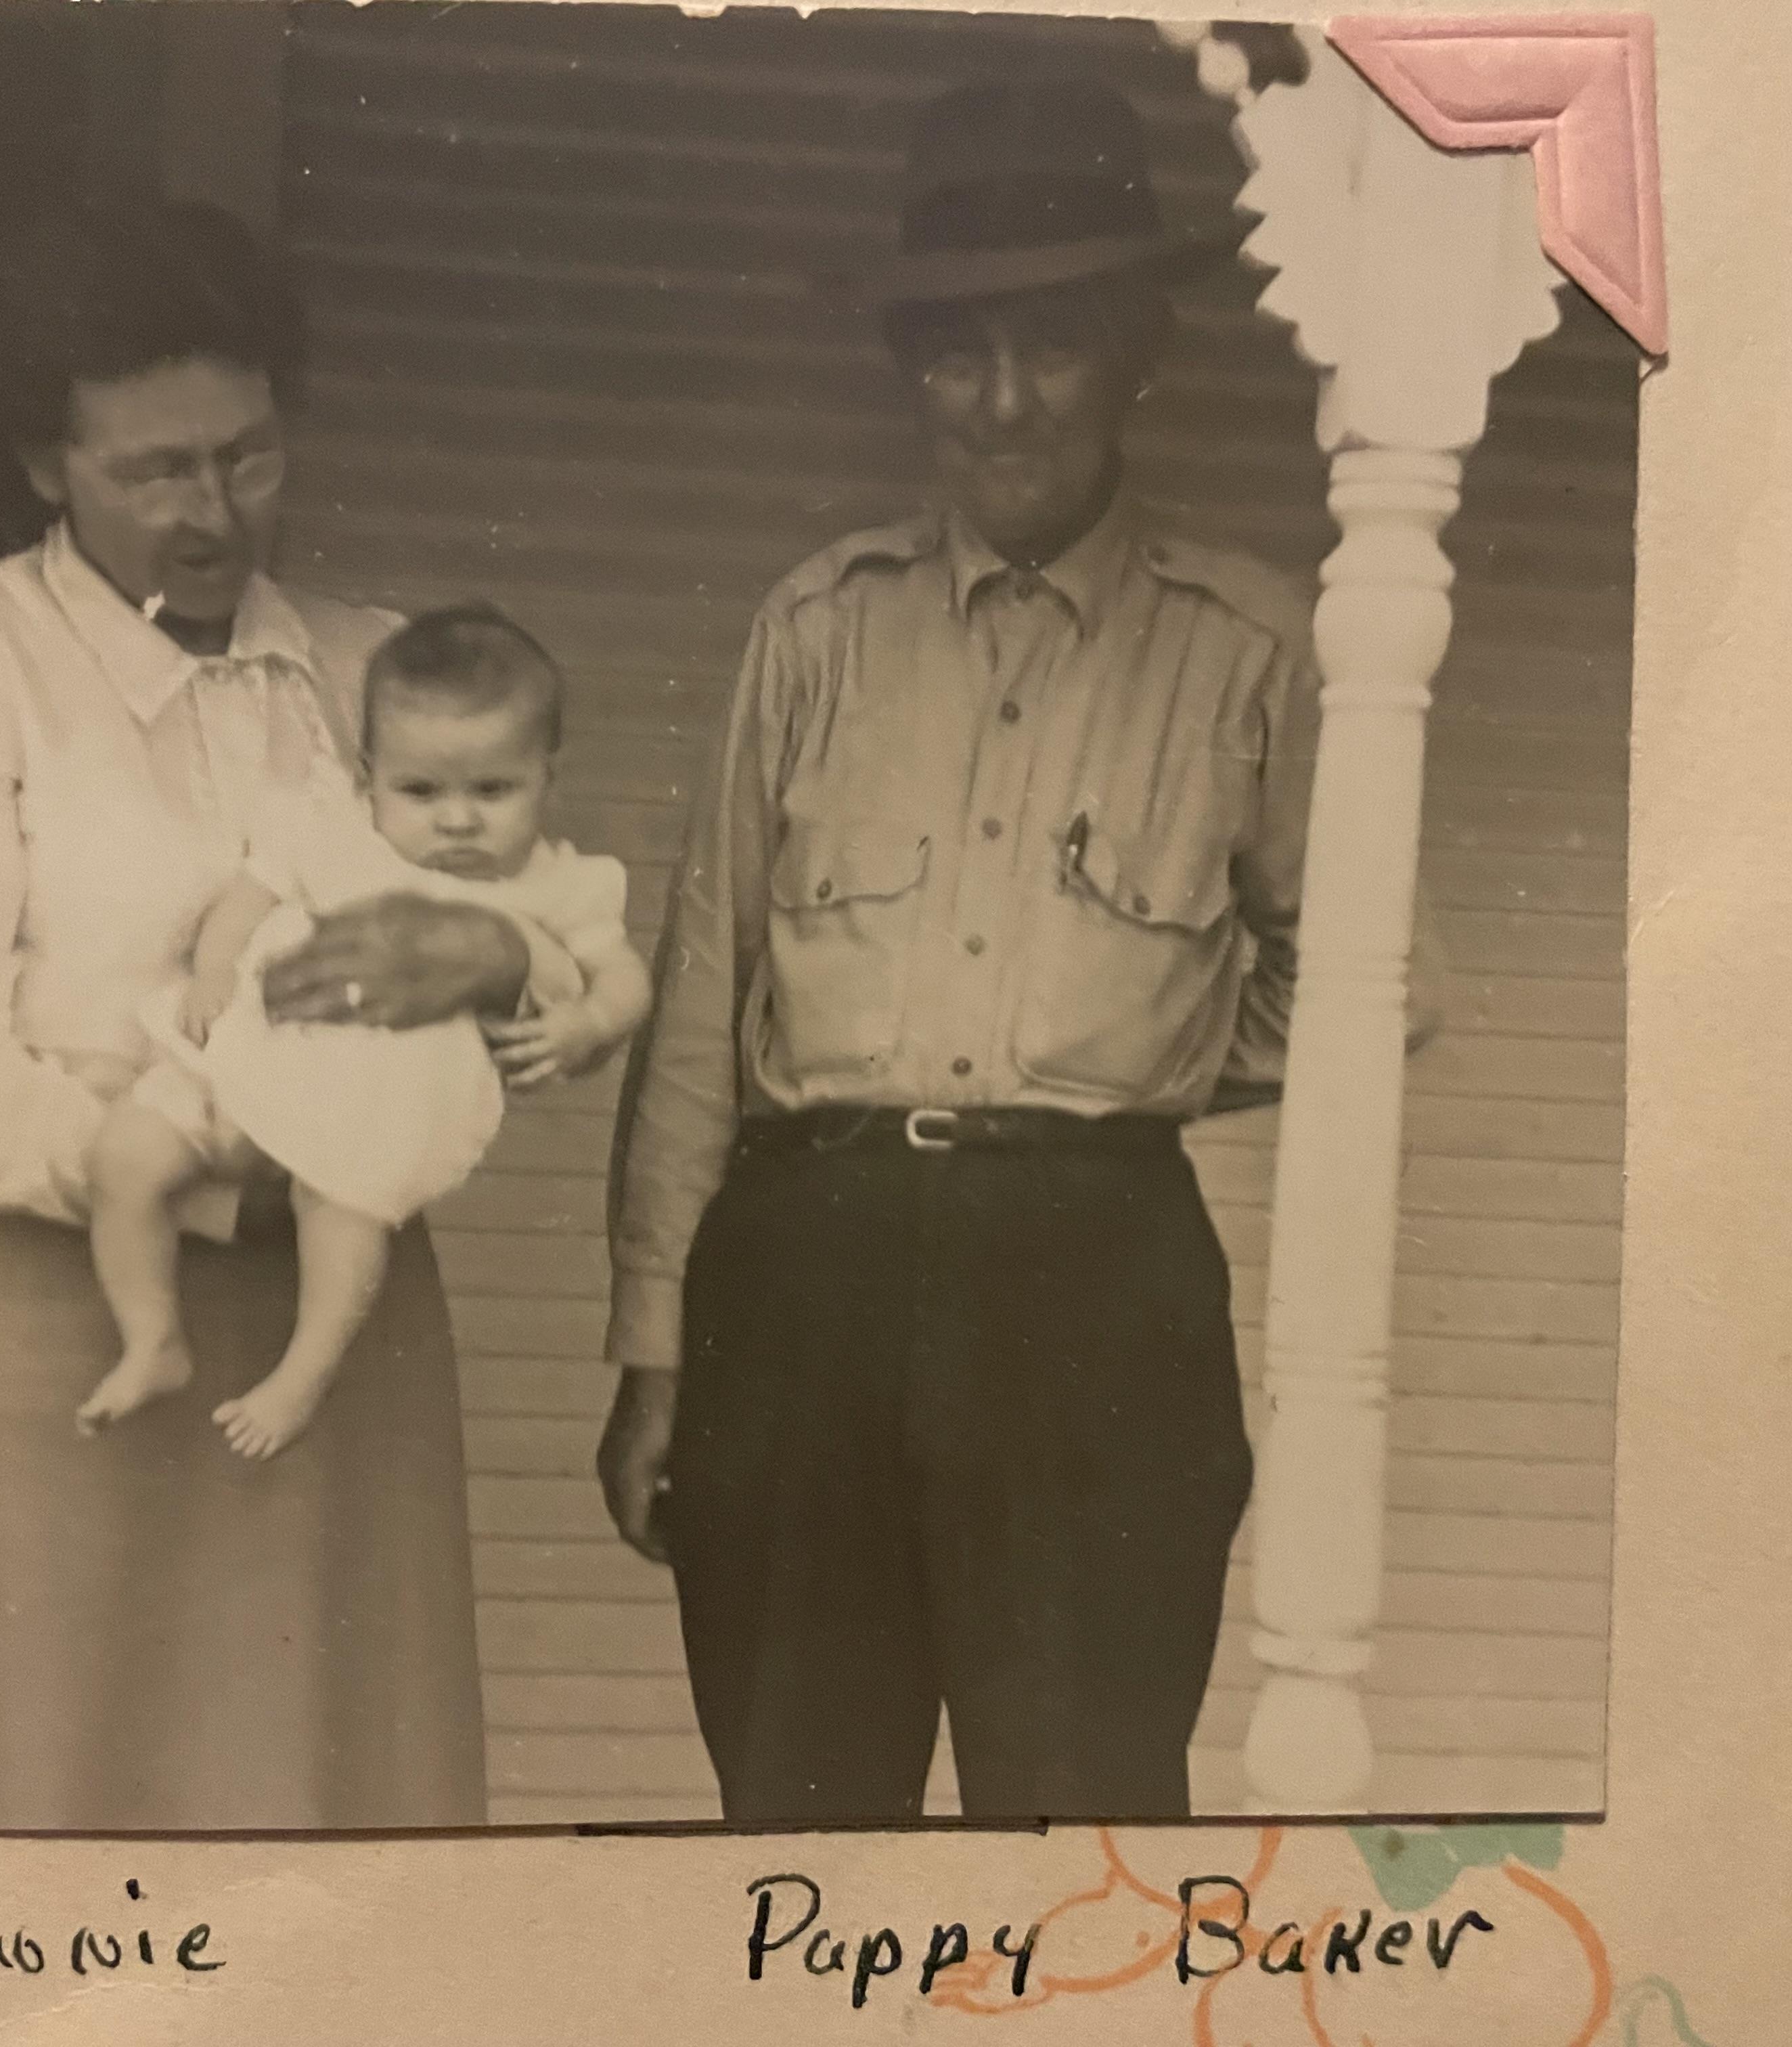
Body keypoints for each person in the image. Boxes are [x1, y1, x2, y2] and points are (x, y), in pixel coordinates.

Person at [600, 80, 1439, 1824]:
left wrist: (1120, 1061)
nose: (997, 403)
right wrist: (652, 1345)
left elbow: (1371, 989)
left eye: (1048, 346)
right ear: (907, 368)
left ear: (1133, 355)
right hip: (800, 1274)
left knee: (1080, 1832)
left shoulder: (1248, 651)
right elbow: (699, 1004)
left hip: (1092, 1291)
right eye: (954, 354)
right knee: (792, 1821)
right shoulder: (814, 627)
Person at [0, 194, 531, 1830]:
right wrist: (205, 1176)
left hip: (338, 1344)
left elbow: (516, 959)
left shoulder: (371, 669)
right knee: (51, 1793)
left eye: (246, 456)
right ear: (40, 463)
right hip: (54, 1330)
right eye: (153, 470)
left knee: (333, 1800)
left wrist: (492, 973)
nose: (212, 512)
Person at [76, 604, 652, 1457]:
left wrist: (588, 1021)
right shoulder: (335, 829)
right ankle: (151, 1336)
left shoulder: (556, 885)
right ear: (370, 773)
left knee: (342, 1213)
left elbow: (624, 977)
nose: (457, 820)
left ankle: (302, 1376)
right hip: (253, 1053)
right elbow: (249, 895)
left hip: (375, 1105)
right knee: (124, 1155)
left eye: (493, 791)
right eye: (421, 791)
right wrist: (213, 973)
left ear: (546, 780)